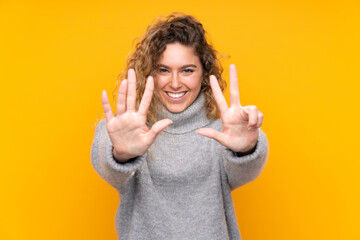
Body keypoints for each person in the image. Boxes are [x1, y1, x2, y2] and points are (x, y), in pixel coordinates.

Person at [91, 12, 269, 240]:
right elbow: (105, 163)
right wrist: (120, 154)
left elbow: (245, 170)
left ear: (204, 73)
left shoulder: (221, 133)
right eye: (163, 70)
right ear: (149, 72)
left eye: (187, 70)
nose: (175, 83)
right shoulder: (126, 130)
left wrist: (247, 148)